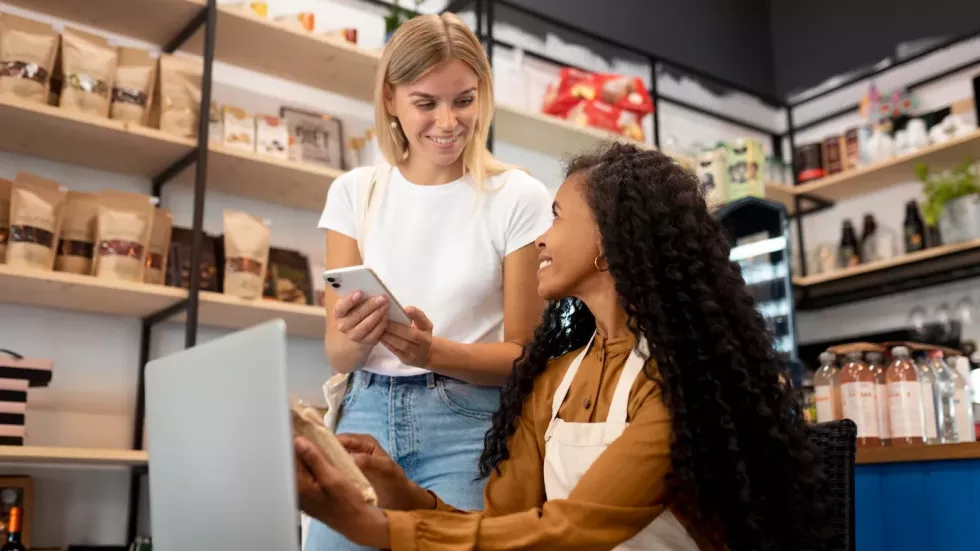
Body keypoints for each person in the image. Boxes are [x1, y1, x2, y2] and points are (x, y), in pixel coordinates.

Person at [296, 142, 829, 550]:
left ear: (607, 240)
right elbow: (503, 529)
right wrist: (395, 487)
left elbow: (570, 531)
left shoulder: (677, 383)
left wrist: (374, 526)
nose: (541, 238)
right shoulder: (556, 378)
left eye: (556, 216)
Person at [309, 11, 552, 551]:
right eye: (426, 102)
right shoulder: (355, 193)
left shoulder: (517, 198)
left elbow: (525, 358)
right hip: (362, 415)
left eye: (463, 100)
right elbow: (339, 356)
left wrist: (430, 351)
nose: (448, 121)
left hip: (469, 425)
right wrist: (357, 334)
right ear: (391, 99)